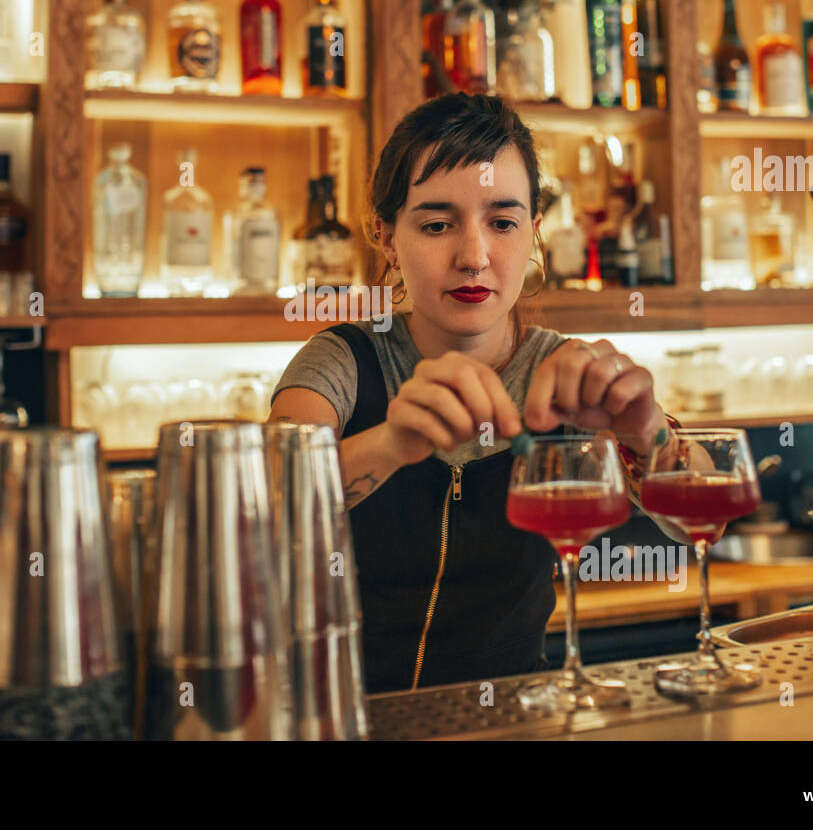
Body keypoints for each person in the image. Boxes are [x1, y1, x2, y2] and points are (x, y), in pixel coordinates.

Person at [269, 92, 684, 694]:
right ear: (385, 237)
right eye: (437, 224)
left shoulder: (568, 370)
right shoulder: (342, 361)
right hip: (347, 720)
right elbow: (258, 509)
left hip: (517, 723)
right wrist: (390, 443)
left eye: (503, 222)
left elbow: (699, 524)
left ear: (534, 234)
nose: (473, 256)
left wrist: (644, 431)